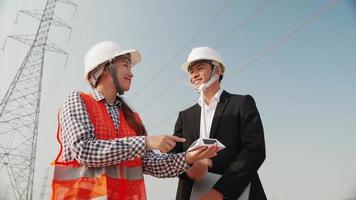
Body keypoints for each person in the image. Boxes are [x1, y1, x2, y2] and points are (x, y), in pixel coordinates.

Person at [50, 41, 219, 200]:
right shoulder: (77, 100)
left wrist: (188, 158)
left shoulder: (131, 117)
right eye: (125, 65)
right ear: (105, 68)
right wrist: (145, 142)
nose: (131, 73)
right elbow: (83, 150)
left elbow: (150, 163)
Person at [171, 47, 267, 200]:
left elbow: (254, 151)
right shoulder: (185, 116)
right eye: (190, 71)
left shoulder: (241, 104)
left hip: (236, 194)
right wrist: (188, 168)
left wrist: (220, 192)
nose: (194, 74)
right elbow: (173, 153)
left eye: (200, 68)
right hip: (193, 194)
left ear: (218, 70)